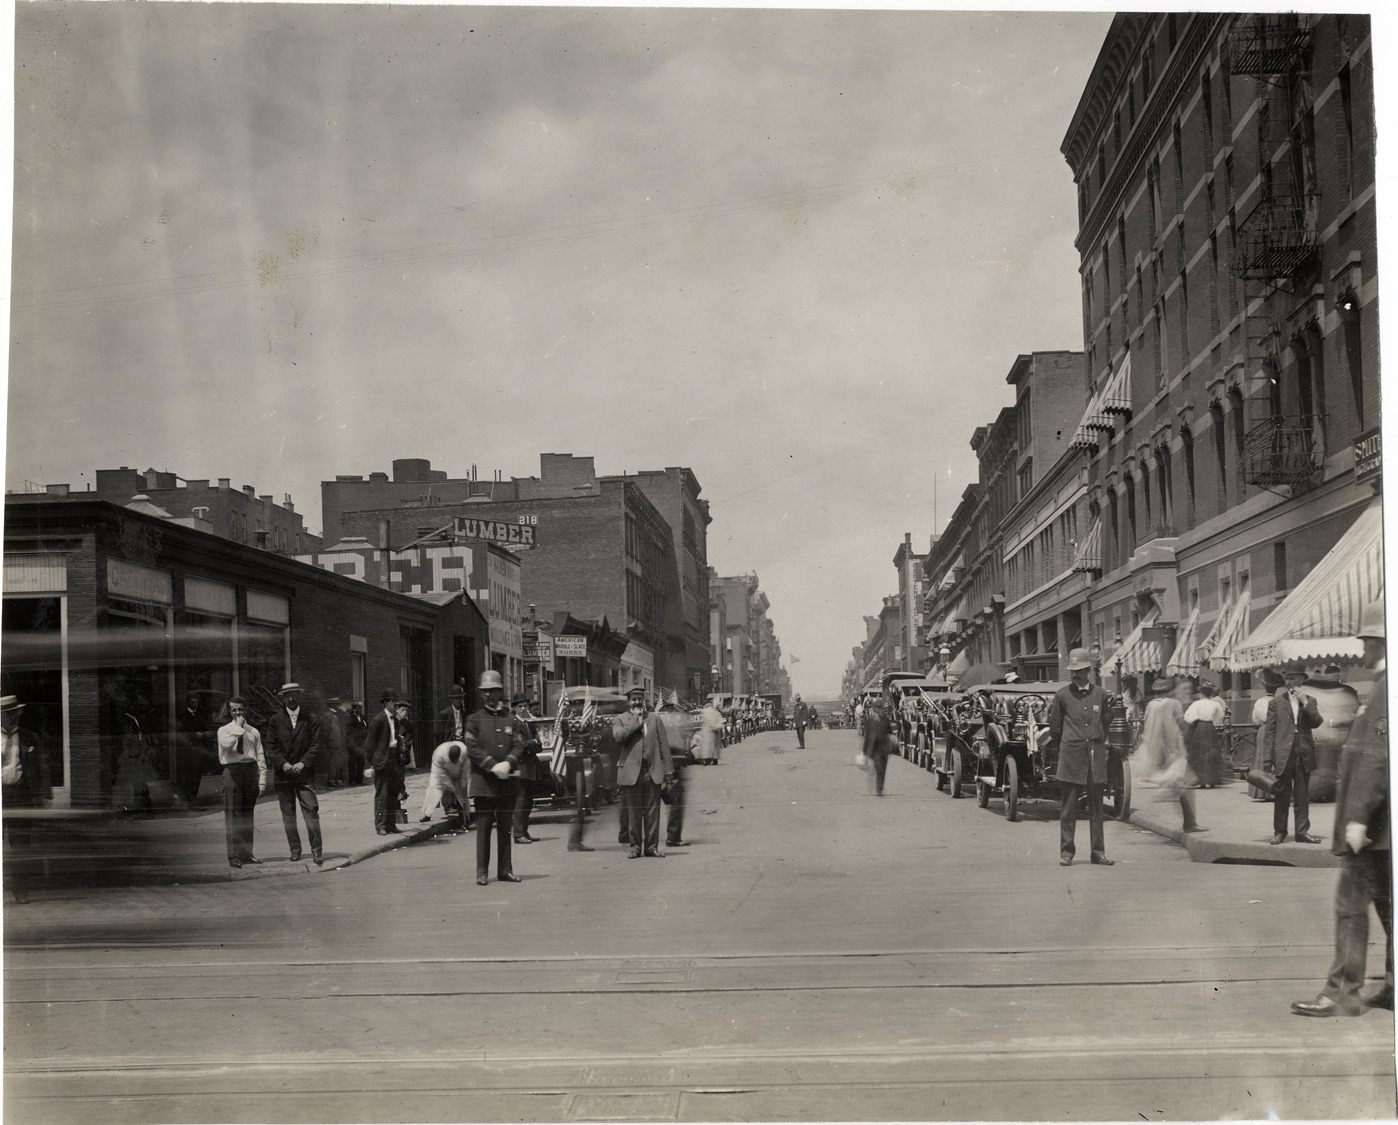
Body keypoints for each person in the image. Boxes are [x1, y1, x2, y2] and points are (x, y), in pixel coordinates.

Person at [1292, 601, 1392, 1017]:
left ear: (1381, 641)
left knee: (1350, 908)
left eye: (1367, 640)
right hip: (1383, 828)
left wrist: (1357, 819)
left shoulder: (1385, 688)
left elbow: (1376, 758)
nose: (1362, 649)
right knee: (1389, 908)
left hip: (1372, 828)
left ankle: (1340, 992)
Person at [1048, 648, 1113, 867]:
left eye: (1079, 671)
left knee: (1097, 809)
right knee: (1068, 808)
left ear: (1088, 671)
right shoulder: (1062, 695)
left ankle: (1098, 853)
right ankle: (1067, 853)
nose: (1075, 675)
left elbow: (1106, 721)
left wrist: (1096, 739)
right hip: (1071, 756)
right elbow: (1055, 727)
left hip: (1095, 756)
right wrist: (1070, 743)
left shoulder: (1101, 694)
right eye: (1072, 671)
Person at [463, 670, 524, 885]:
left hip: (507, 781)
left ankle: (505, 871)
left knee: (505, 828)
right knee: (484, 828)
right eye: (485, 691)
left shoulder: (511, 720)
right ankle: (482, 872)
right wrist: (492, 765)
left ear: (500, 692)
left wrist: (508, 762)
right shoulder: (474, 720)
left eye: (493, 690)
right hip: (484, 782)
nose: (489, 694)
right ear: (481, 694)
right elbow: (472, 747)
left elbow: (518, 745)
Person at [1132, 676, 1206, 834]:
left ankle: (1187, 819)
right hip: (1173, 748)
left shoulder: (1151, 705)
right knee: (1184, 784)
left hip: (1156, 749)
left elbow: (1146, 724)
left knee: (1178, 784)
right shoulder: (1174, 703)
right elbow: (1181, 723)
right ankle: (1190, 823)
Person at [262, 682, 325, 864]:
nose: (291, 698)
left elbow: (316, 745)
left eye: (294, 695)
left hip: (304, 774)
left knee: (311, 810)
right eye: (287, 695)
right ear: (283, 698)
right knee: (288, 815)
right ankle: (295, 849)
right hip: (284, 776)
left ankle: (317, 851)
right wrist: (283, 764)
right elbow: (271, 747)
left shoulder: (310, 719)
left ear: (300, 696)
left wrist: (302, 763)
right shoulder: (275, 720)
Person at [1261, 667, 1325, 845]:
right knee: (1282, 795)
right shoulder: (1276, 702)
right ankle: (1279, 832)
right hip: (1283, 753)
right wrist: (1267, 758)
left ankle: (1302, 832)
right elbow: (1269, 732)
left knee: (1302, 796)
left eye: (1292, 678)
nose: (1288, 682)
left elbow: (1317, 722)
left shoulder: (1310, 700)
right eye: (1286, 678)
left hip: (1303, 752)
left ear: (1301, 680)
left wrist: (1305, 702)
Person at [611, 686, 675, 857]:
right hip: (631, 772)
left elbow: (664, 745)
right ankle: (635, 847)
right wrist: (635, 720)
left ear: (644, 701)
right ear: (628, 702)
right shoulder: (619, 720)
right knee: (634, 812)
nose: (637, 702)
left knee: (653, 812)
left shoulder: (654, 719)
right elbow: (619, 738)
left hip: (652, 770)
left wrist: (669, 771)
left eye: (640, 699)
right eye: (634, 699)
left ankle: (651, 847)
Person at [1, 695, 50, 902]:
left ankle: (21, 891)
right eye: (8, 714)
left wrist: (45, 793)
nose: (13, 717)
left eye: (15, 713)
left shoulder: (29, 737)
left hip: (20, 795)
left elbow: (42, 766)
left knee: (21, 846)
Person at [216, 696, 269, 868]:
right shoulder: (224, 730)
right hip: (233, 772)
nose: (237, 712)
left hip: (250, 772)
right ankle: (234, 856)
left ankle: (247, 854)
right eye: (234, 709)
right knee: (233, 815)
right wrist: (238, 728)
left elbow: (260, 756)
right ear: (229, 711)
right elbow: (226, 745)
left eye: (240, 709)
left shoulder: (254, 731)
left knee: (247, 816)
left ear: (246, 709)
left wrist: (262, 781)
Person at [365, 690, 407, 835]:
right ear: (386, 703)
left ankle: (391, 825)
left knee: (392, 793)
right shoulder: (378, 720)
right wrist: (372, 764)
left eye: (396, 700)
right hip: (382, 760)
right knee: (382, 793)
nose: (395, 703)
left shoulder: (395, 720)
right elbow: (370, 744)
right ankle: (381, 826)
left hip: (393, 759)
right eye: (393, 701)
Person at [511, 695, 543, 845]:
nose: (523, 709)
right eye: (520, 706)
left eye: (525, 706)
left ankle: (524, 832)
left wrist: (533, 743)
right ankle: (518, 834)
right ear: (514, 708)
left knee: (528, 803)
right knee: (520, 802)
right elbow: (521, 744)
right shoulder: (514, 723)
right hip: (520, 767)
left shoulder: (529, 723)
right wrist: (533, 742)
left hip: (530, 767)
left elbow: (540, 745)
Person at [1183, 679, 1227, 788]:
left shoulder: (1196, 704)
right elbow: (1220, 716)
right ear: (1211, 693)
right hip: (1210, 728)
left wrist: (1194, 720)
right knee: (1211, 753)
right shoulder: (1215, 704)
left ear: (1201, 693)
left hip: (1199, 728)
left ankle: (1201, 780)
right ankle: (1212, 780)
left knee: (1198, 754)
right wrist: (1214, 721)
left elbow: (1187, 716)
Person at [419, 741, 470, 833]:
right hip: (442, 771)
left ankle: (466, 818)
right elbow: (442, 775)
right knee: (434, 788)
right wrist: (452, 788)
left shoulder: (465, 750)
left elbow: (466, 768)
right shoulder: (439, 754)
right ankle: (427, 814)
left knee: (462, 794)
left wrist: (463, 783)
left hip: (459, 771)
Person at [174, 693, 213, 808]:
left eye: (196, 702)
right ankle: (190, 801)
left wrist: (205, 734)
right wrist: (195, 735)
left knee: (197, 776)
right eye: (192, 702)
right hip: (189, 750)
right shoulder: (183, 716)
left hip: (199, 750)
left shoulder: (199, 715)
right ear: (188, 703)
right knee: (190, 777)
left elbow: (206, 729)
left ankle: (193, 800)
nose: (195, 704)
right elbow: (181, 733)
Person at [861, 694, 894, 797]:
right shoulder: (870, 720)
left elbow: (890, 733)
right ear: (875, 709)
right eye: (879, 709)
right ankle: (879, 789)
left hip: (884, 748)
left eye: (882, 709)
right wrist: (864, 751)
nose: (881, 711)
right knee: (879, 768)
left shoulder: (886, 720)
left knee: (883, 770)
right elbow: (867, 736)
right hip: (875, 749)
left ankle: (880, 788)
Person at [320, 697, 348, 789]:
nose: (338, 706)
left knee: (338, 763)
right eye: (336, 704)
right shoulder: (328, 715)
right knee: (333, 763)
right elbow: (325, 730)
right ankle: (331, 780)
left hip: (338, 743)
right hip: (332, 743)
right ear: (331, 705)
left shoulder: (336, 715)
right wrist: (326, 742)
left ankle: (336, 779)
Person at [344, 701, 368, 786]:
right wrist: (350, 745)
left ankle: (359, 780)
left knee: (361, 762)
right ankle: (352, 781)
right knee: (352, 763)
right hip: (353, 744)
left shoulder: (363, 717)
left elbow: (366, 728)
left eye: (361, 707)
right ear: (354, 709)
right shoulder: (350, 718)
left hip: (362, 744)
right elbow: (348, 732)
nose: (361, 709)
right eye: (359, 707)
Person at [694, 700, 723, 765]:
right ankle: (715, 760)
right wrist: (716, 726)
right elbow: (720, 720)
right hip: (716, 730)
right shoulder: (716, 712)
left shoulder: (704, 711)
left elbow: (703, 720)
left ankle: (706, 760)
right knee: (715, 746)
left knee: (707, 746)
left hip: (708, 730)